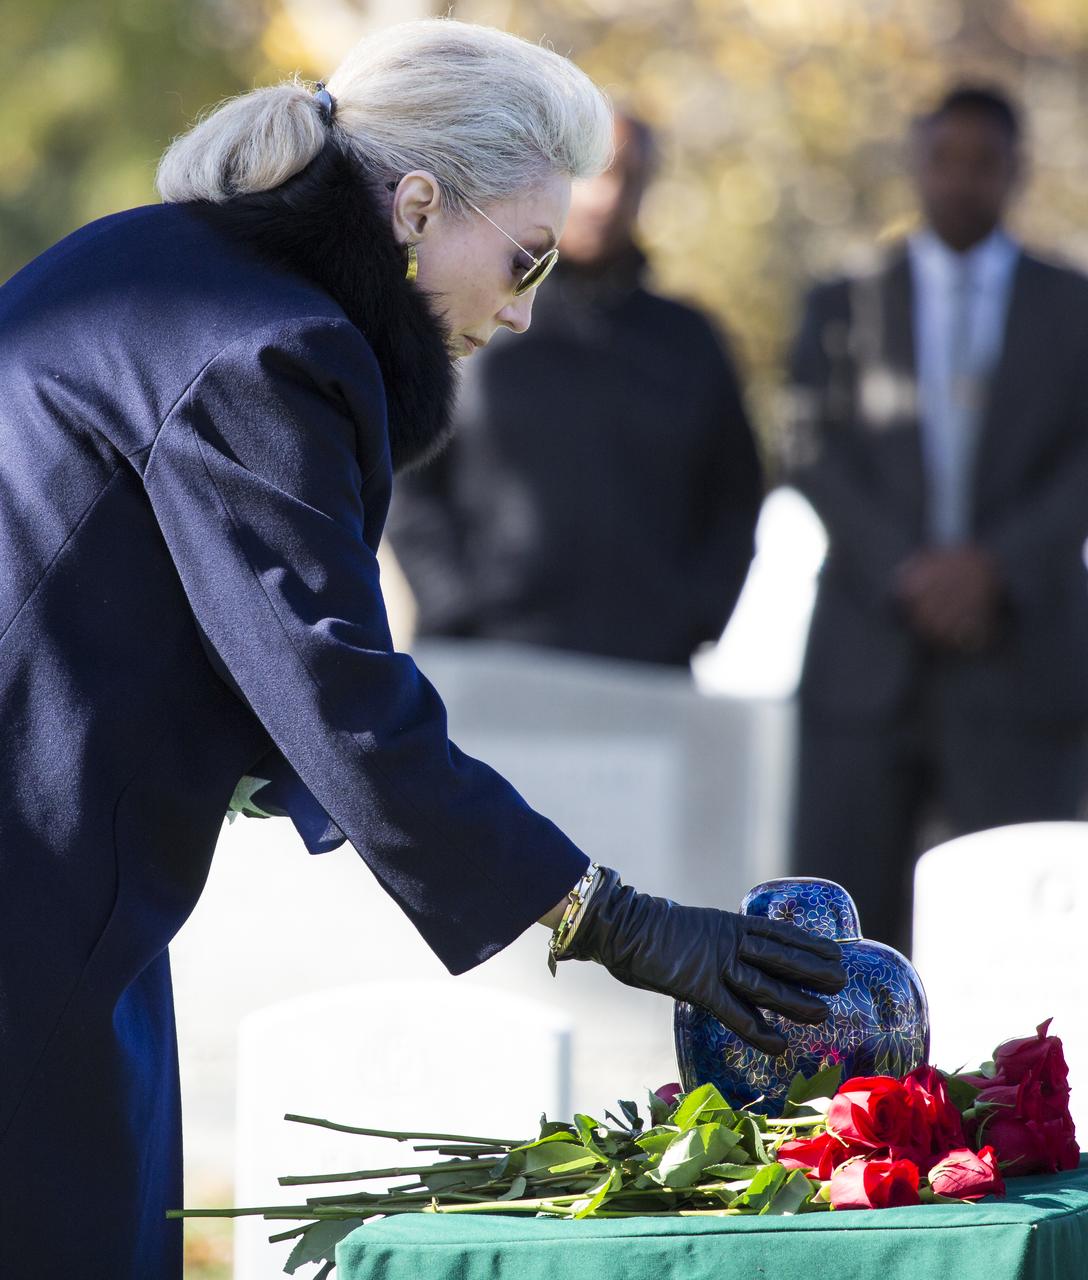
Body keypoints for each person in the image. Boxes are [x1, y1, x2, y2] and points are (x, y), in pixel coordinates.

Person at [0, 20, 844, 1278]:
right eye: (527, 260)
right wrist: (612, 919)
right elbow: (339, 698)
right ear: (413, 205)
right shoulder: (268, 343)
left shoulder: (165, 266)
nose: (517, 313)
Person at [784, 84, 1088, 956]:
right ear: (918, 162)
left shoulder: (1071, 305)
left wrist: (989, 567)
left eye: (982, 163)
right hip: (865, 661)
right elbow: (809, 447)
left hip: (1023, 662)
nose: (961, 180)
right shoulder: (845, 299)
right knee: (843, 942)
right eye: (944, 159)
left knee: (1015, 944)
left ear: (1014, 171)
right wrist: (914, 571)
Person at [386, 112, 763, 668]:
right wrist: (458, 611)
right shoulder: (477, 313)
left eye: (628, 176)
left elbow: (735, 498)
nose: (607, 199)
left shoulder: (690, 344)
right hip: (487, 670)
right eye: (595, 175)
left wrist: (695, 618)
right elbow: (408, 478)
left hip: (643, 678)